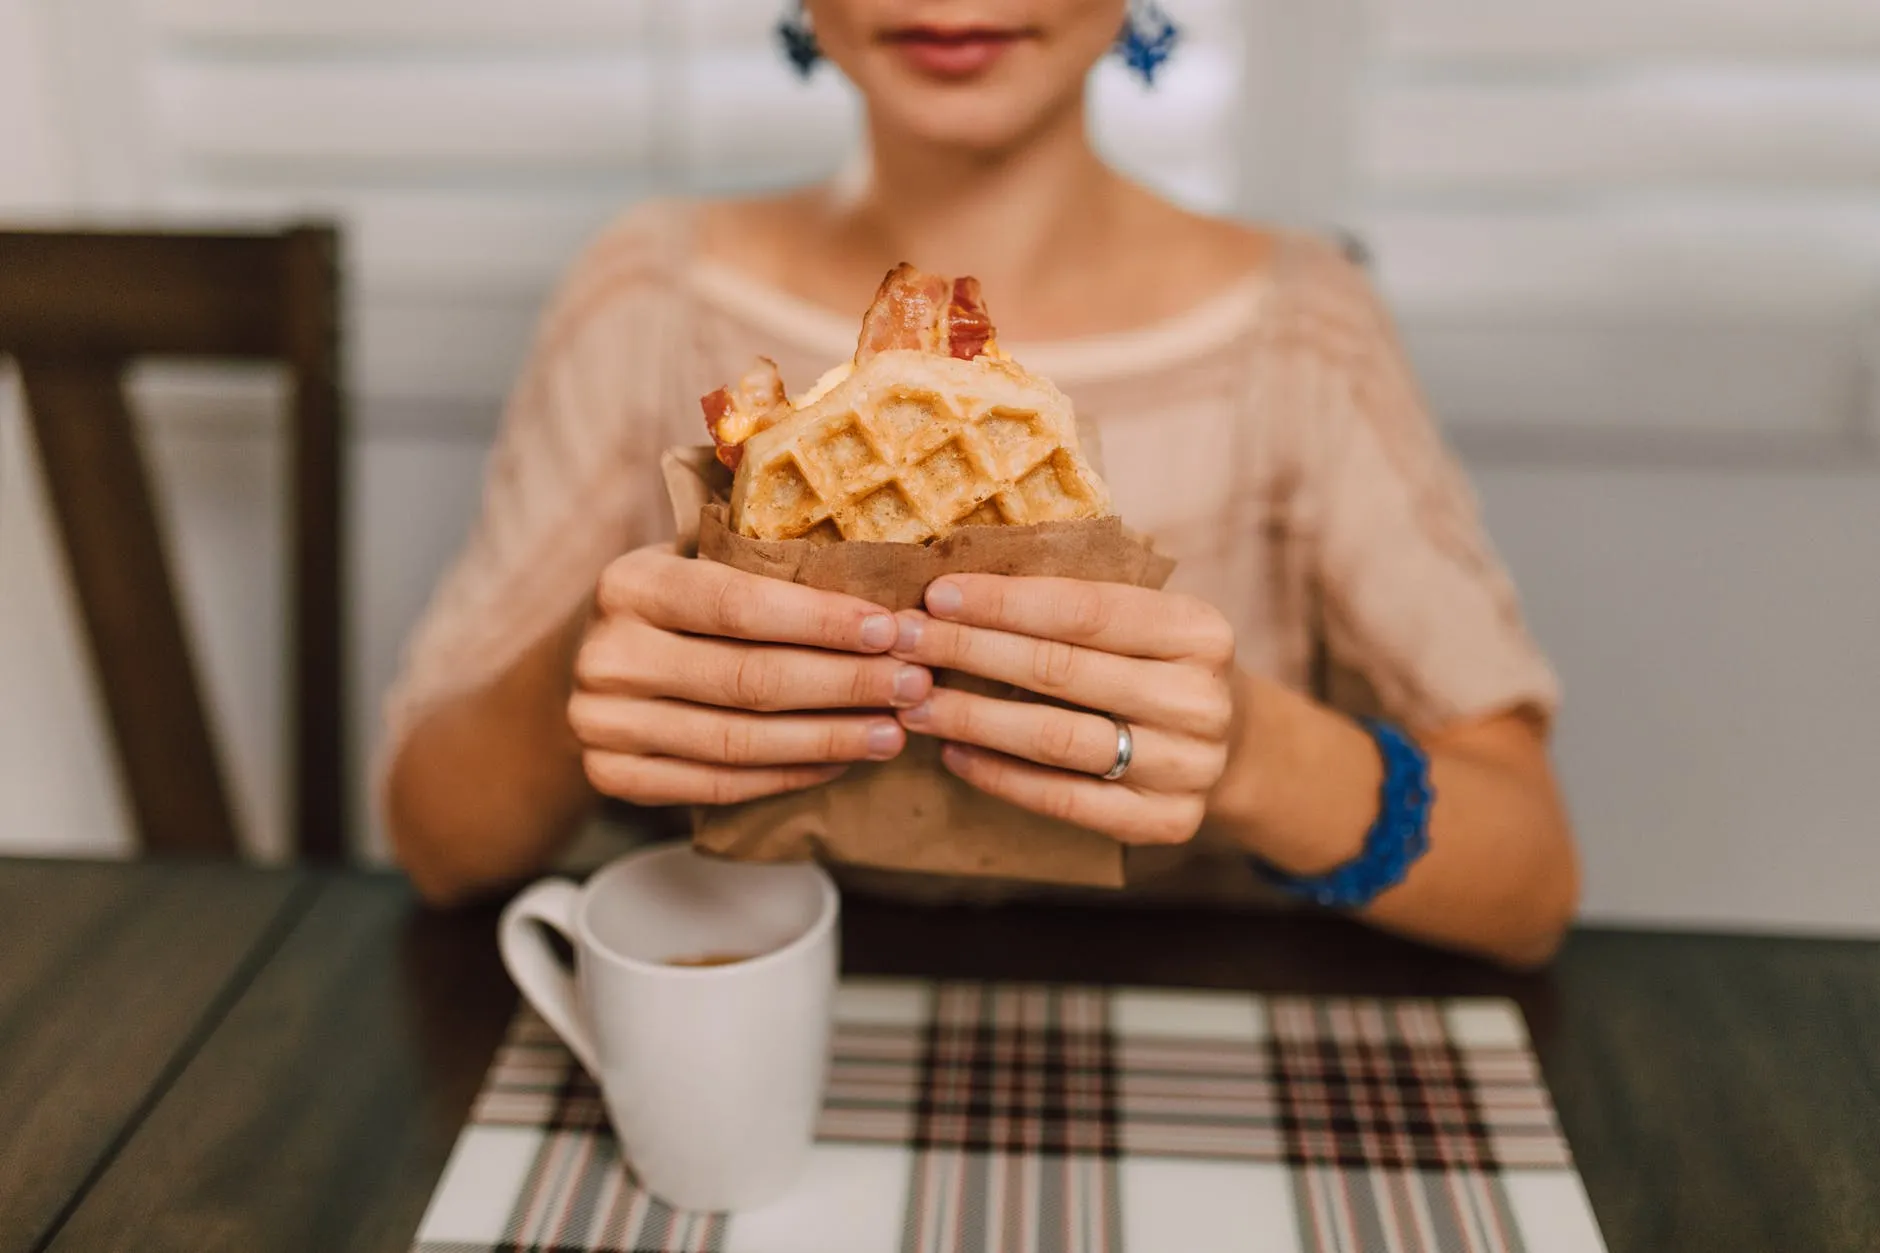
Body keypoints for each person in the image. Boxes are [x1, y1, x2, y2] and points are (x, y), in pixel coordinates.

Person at [380, 0, 1579, 968]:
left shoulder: (1303, 329)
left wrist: (1253, 753)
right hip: (749, 977)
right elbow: (432, 838)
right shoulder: (646, 295)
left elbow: (1527, 882)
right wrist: (571, 681)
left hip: (1175, 995)